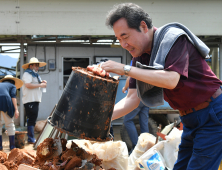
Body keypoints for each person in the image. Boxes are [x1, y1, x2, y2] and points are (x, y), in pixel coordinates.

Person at [87, 3, 222, 170]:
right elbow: (132, 99)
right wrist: (98, 120)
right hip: (189, 119)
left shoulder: (173, 39)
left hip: (212, 113)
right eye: (119, 39)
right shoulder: (140, 57)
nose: (123, 44)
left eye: (125, 36)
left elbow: (171, 79)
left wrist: (124, 69)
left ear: (143, 26)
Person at [122, 60, 150, 154]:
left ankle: (136, 147)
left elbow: (130, 76)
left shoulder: (135, 60)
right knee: (144, 123)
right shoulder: (148, 60)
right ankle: (146, 148)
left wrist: (125, 87)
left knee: (127, 120)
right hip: (146, 97)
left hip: (137, 96)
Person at [22, 57, 47, 144]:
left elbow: (35, 84)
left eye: (38, 65)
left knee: (32, 118)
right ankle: (30, 138)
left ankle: (31, 138)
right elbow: (28, 85)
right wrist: (40, 85)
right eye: (36, 65)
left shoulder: (35, 74)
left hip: (35, 99)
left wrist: (42, 82)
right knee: (31, 119)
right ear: (31, 65)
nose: (37, 67)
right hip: (30, 100)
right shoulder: (27, 74)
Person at [0, 75, 23, 150]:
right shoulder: (12, 85)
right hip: (5, 100)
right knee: (9, 124)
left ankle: (0, 147)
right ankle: (12, 146)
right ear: (12, 81)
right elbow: (13, 96)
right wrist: (16, 109)